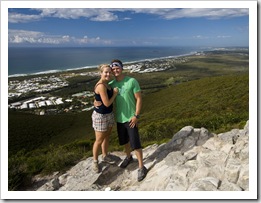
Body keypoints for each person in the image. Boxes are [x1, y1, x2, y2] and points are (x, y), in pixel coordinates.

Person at [109, 59, 148, 182]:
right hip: (119, 118)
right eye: (113, 69)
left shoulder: (131, 81)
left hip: (131, 118)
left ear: (122, 68)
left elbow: (139, 99)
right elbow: (101, 91)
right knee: (124, 141)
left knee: (135, 143)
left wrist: (136, 115)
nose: (115, 70)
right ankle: (128, 157)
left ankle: (141, 166)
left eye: (117, 68)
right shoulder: (112, 83)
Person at [91, 64, 118, 173]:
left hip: (109, 114)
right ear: (100, 73)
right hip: (101, 116)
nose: (108, 74)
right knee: (99, 140)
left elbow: (97, 96)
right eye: (105, 72)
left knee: (106, 136)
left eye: (109, 72)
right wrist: (115, 94)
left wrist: (94, 100)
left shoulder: (107, 84)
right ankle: (95, 162)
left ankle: (105, 155)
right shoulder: (101, 85)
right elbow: (106, 103)